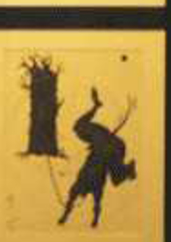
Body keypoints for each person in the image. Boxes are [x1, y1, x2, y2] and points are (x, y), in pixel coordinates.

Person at [58, 87, 136, 228]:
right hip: (94, 172)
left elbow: (79, 126)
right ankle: (81, 218)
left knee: (83, 193)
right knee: (87, 193)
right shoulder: (112, 143)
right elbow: (116, 178)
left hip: (94, 172)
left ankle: (73, 217)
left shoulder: (111, 143)